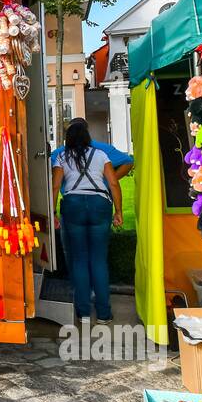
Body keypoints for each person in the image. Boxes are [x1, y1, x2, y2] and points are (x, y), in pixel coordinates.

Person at [50, 119, 124, 322]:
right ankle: (104, 313)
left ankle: (82, 313)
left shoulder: (62, 157)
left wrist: (52, 212)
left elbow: (56, 186)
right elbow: (114, 183)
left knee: (80, 260)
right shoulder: (101, 155)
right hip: (100, 205)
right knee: (99, 260)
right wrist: (118, 211)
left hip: (73, 206)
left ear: (68, 139)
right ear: (87, 136)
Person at [51, 119, 133, 177]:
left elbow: (46, 169)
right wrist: (109, 181)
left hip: (71, 196)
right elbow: (128, 161)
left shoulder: (59, 153)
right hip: (100, 196)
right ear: (87, 131)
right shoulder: (104, 149)